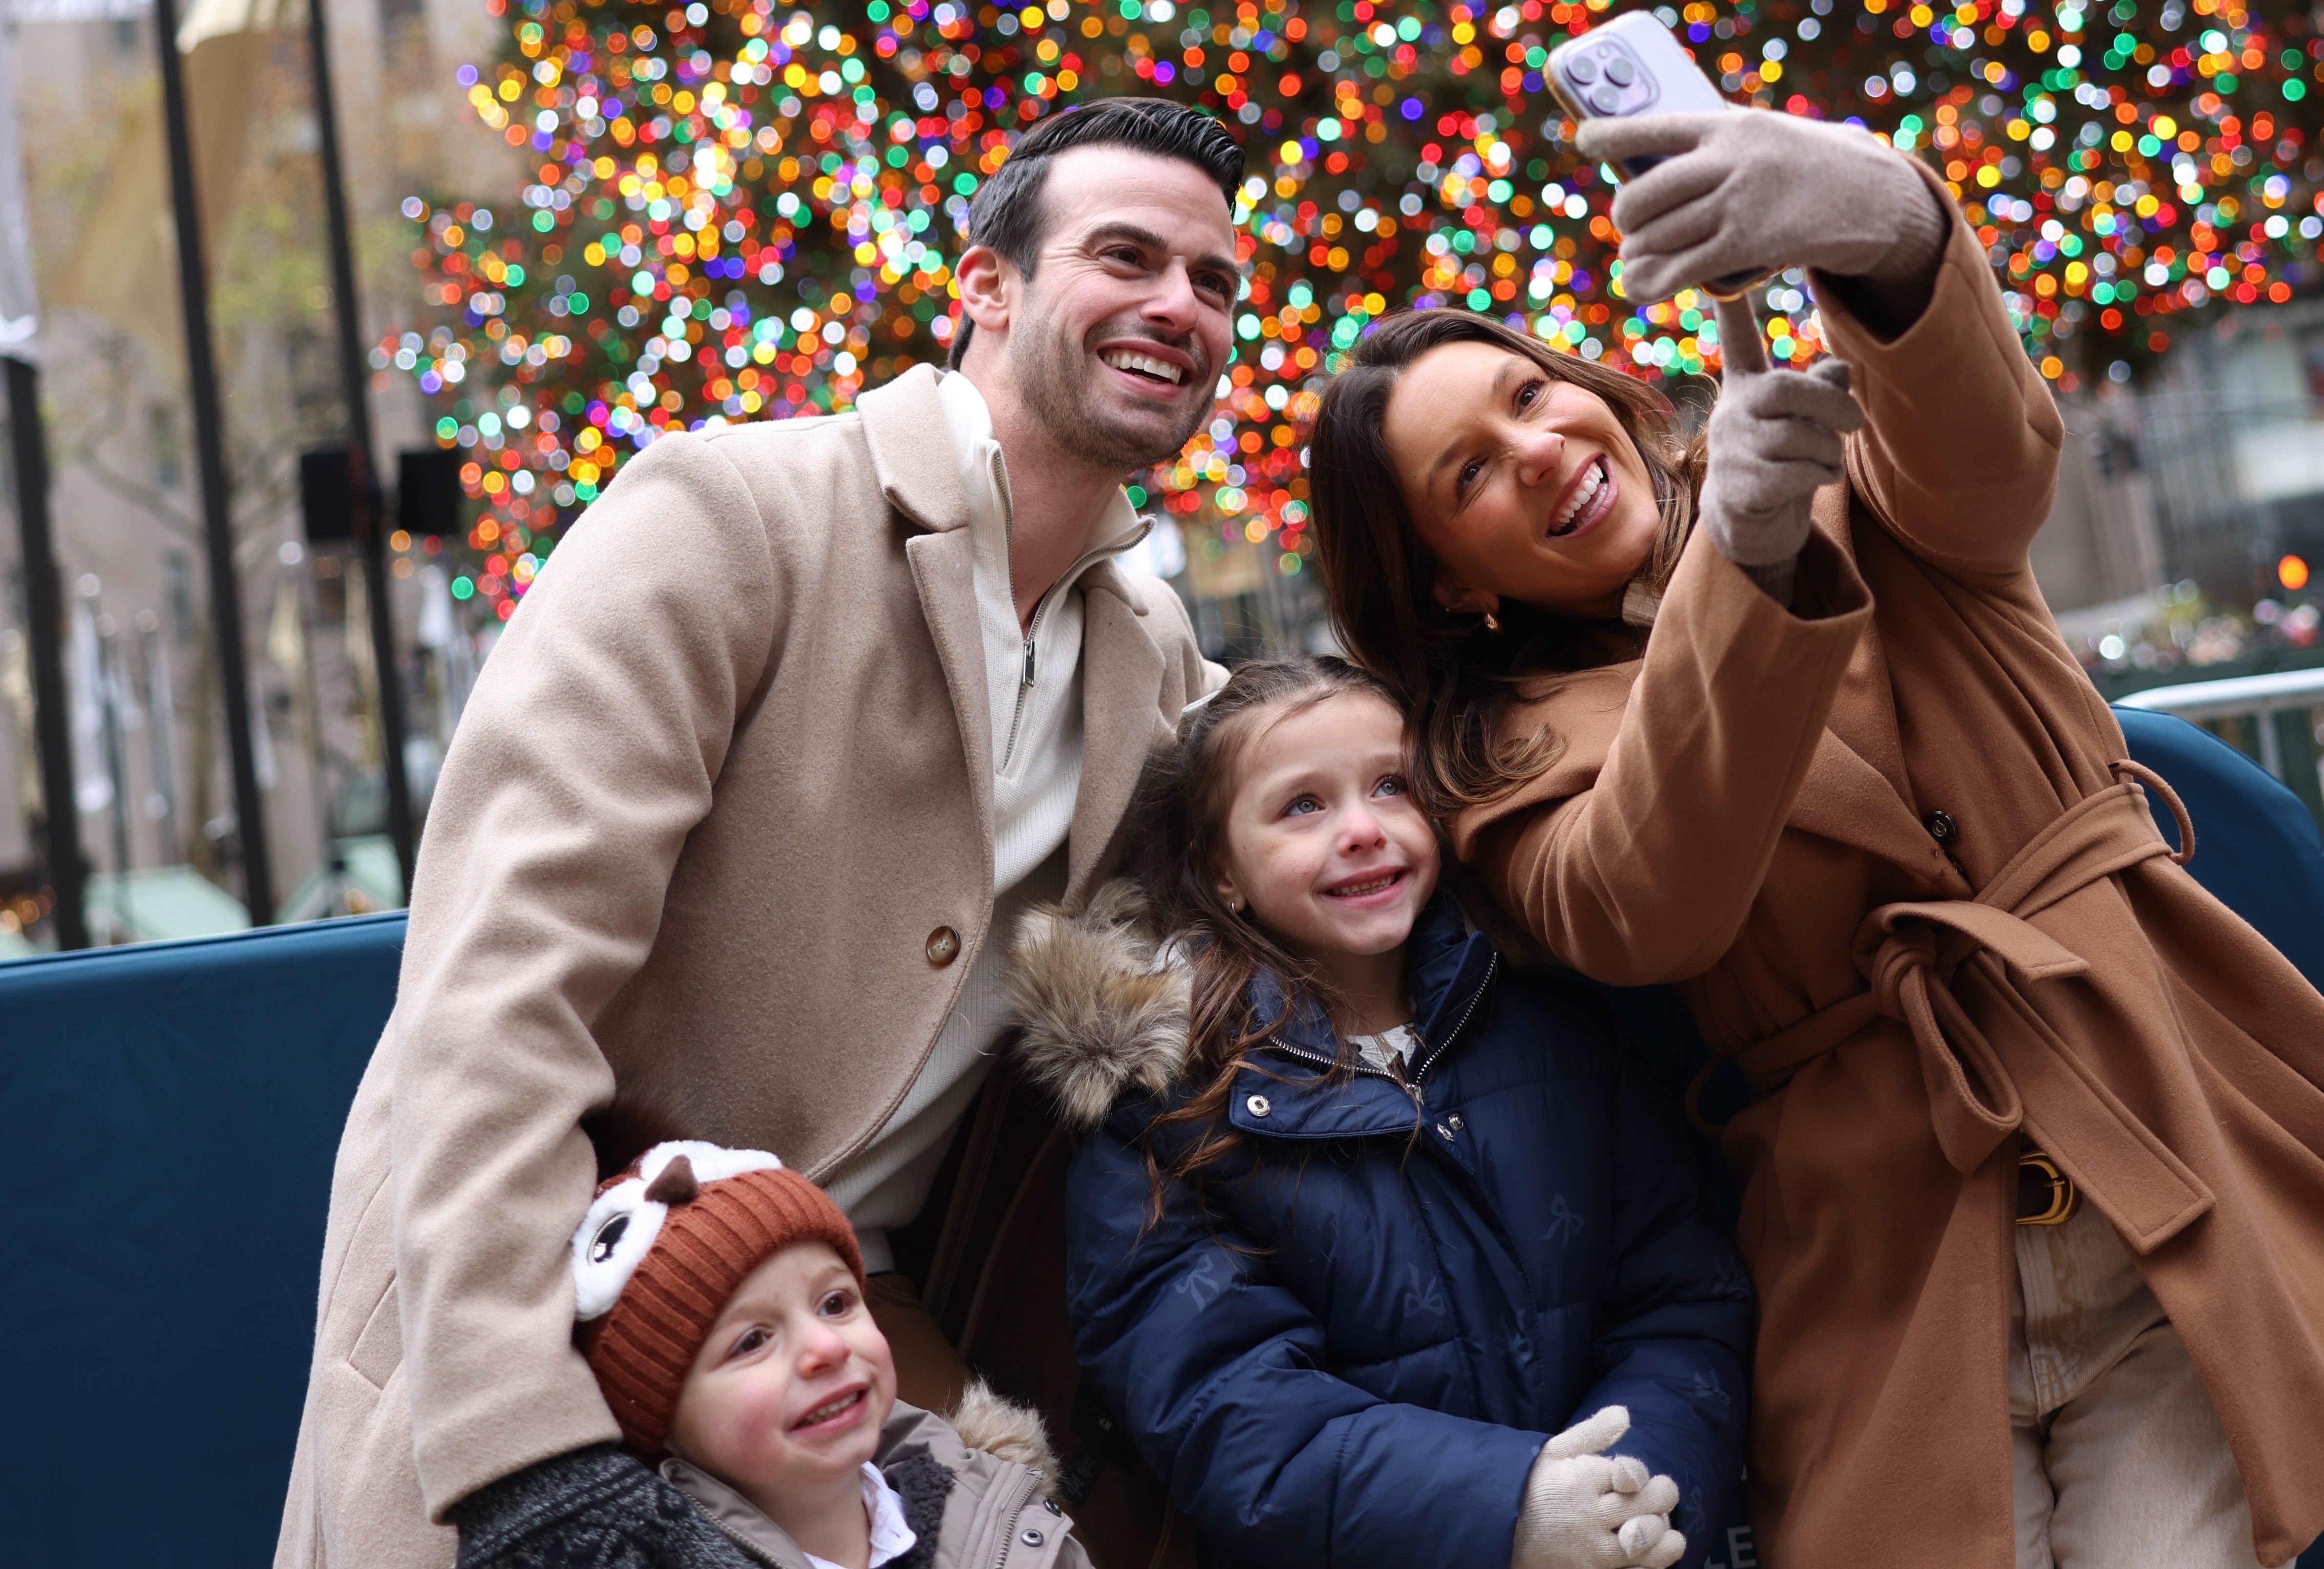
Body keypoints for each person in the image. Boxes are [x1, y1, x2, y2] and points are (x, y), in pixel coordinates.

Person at [1303, 107, 2324, 1569]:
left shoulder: (1843, 480)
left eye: (1528, 393)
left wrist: (1885, 221)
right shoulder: (1494, 765)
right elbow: (1650, 892)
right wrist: (1740, 563)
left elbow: (1988, 456)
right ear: (1450, 587)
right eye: (1467, 472)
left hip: (2154, 1157)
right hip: (1892, 1274)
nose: (1538, 448)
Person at [277, 98, 1238, 1569]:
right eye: (1128, 255)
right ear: (986, 283)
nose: (1182, 303)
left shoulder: (1150, 645)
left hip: (867, 1363)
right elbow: (492, 999)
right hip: (557, 1333)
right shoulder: (725, 513)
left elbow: (1362, 787)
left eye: (1216, 280)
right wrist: (532, 1459)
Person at [1007, 657, 1751, 1569]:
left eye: (1390, 785)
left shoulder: (1551, 1025)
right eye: (1302, 806)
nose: (1362, 828)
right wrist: (1505, 1507)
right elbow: (1228, 1408)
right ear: (1221, 869)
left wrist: (1633, 1491)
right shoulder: (1167, 1114)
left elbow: (1680, 1295)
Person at [512, 1137, 1088, 1569]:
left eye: (836, 1303)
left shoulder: (1000, 1512)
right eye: (753, 1340)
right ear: (663, 1422)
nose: (826, 1346)